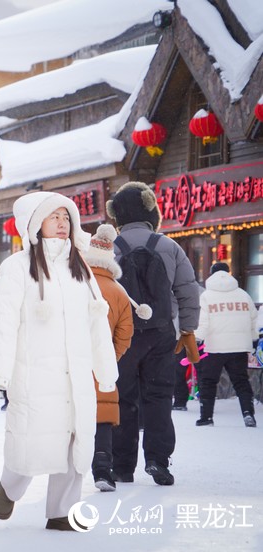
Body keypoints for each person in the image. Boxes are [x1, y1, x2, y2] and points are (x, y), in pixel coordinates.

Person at [0, 192, 118, 531]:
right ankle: (10, 486)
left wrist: (105, 369)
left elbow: (97, 322)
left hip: (75, 375)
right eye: (53, 216)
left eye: (66, 216)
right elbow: (3, 321)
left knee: (75, 441)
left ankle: (62, 510)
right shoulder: (16, 267)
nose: (62, 223)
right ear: (34, 224)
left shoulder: (81, 269)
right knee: (32, 440)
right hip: (34, 374)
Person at [107, 182, 200, 486]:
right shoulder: (168, 246)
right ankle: (158, 461)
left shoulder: (110, 248)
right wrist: (187, 329)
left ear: (117, 216)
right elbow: (187, 292)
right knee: (159, 397)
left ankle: (121, 466)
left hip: (121, 337)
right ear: (152, 212)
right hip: (162, 334)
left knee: (124, 399)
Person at [82, 224, 134, 491]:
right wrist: (108, 357)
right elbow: (126, 332)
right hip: (104, 368)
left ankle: (68, 472)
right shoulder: (118, 291)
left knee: (73, 417)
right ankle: (102, 468)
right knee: (102, 416)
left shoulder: (73, 284)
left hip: (73, 364)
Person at [194, 262, 257, 428]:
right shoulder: (244, 295)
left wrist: (196, 339)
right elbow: (253, 319)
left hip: (214, 347)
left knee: (208, 381)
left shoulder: (206, 296)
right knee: (241, 381)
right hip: (239, 347)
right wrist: (254, 340)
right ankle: (248, 414)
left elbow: (203, 322)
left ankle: (206, 417)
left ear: (211, 274)